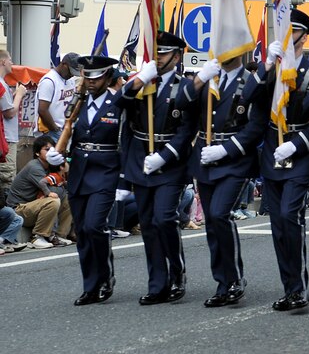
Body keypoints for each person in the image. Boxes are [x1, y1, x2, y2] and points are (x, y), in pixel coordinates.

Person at [246, 9, 309, 313]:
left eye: (291, 32)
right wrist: (267, 65)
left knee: (290, 217)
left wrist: (296, 145)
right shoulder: (272, 68)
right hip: (272, 152)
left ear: (302, 36)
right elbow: (247, 97)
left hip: (300, 153)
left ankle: (299, 288)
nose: (285, 36)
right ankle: (289, 287)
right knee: (278, 225)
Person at [178, 52, 265, 308]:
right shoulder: (207, 80)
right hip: (205, 158)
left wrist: (227, 149)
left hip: (234, 160)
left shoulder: (251, 82)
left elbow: (256, 125)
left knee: (218, 214)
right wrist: (199, 79)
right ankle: (222, 282)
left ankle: (235, 278)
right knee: (212, 224)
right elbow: (182, 106)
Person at [117, 31, 194, 305]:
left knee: (164, 218)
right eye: (156, 53)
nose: (158, 58)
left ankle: (177, 272)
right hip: (140, 161)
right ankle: (157, 283)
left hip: (170, 163)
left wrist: (166, 155)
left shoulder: (184, 87)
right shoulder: (141, 84)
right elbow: (118, 105)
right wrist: (139, 79)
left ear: (177, 56)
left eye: (164, 53)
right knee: (148, 224)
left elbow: (187, 130)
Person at [46, 56, 123, 305]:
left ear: (108, 78)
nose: (91, 82)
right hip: (79, 172)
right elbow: (68, 132)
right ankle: (91, 285)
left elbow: (125, 141)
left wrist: (123, 181)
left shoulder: (118, 103)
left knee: (94, 226)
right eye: (87, 77)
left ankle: (105, 276)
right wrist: (60, 153)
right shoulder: (77, 103)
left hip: (105, 173)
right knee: (83, 232)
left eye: (97, 77)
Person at [6, 134, 73, 248]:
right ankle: (37, 237)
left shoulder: (51, 166)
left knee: (70, 198)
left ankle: (59, 235)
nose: (51, 152)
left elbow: (67, 186)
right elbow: (53, 190)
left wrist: (63, 166)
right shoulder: (34, 167)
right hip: (18, 210)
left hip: (33, 206)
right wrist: (60, 182)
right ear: (37, 153)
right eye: (47, 149)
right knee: (53, 200)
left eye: (53, 149)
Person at [36, 52, 79, 143]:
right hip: (50, 132)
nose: (72, 75)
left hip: (65, 129)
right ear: (64, 65)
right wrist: (55, 129)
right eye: (71, 71)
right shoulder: (49, 81)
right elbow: (42, 110)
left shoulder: (70, 80)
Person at [0, 50, 26, 186]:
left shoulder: (3, 84)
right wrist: (20, 95)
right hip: (6, 139)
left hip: (5, 138)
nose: (12, 63)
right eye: (10, 59)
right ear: (3, 61)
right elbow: (9, 113)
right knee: (7, 178)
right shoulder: (1, 84)